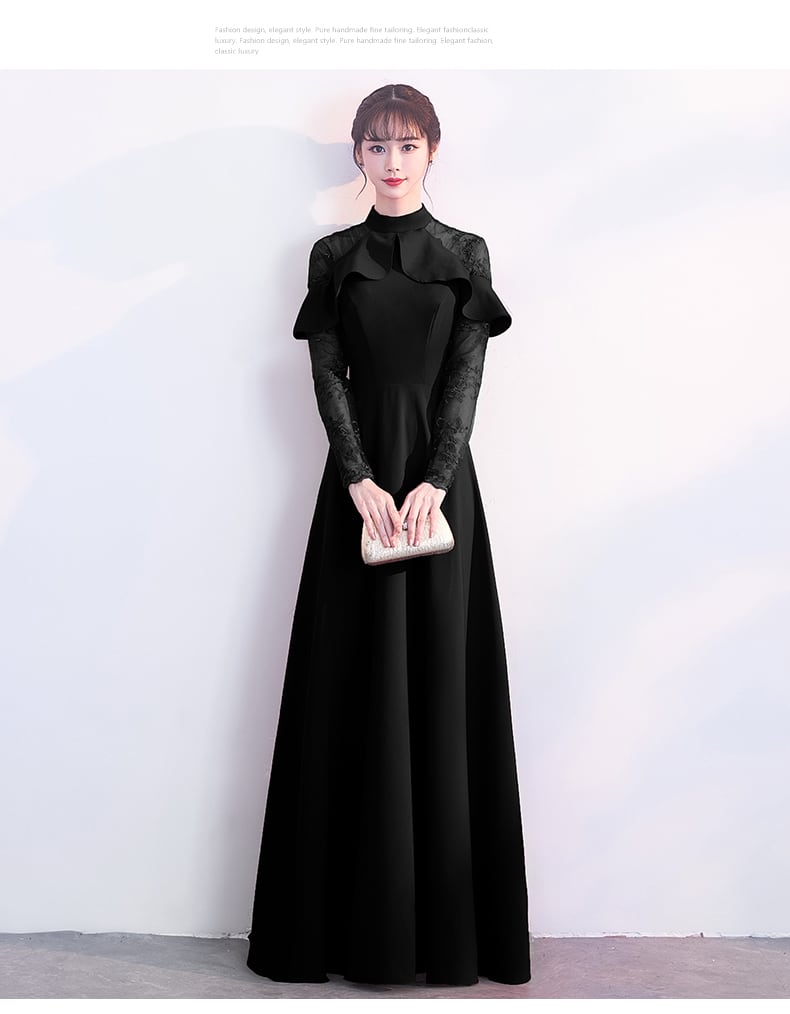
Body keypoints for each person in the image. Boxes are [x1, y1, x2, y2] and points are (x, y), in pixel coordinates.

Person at [246, 83, 531, 988]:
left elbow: (465, 381)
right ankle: (338, 936)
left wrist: (434, 482)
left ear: (433, 152)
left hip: (442, 498)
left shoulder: (466, 254)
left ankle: (446, 939)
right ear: (358, 156)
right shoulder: (332, 256)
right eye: (377, 145)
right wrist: (360, 479)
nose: (393, 161)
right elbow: (327, 375)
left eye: (408, 145)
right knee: (349, 680)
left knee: (441, 684)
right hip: (358, 497)